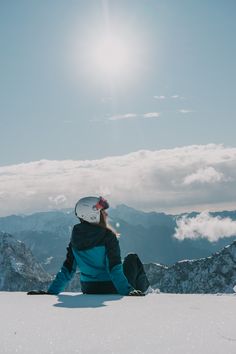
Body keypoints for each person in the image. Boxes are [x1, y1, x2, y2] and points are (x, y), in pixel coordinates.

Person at [28, 196, 150, 296]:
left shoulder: (75, 239)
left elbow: (67, 270)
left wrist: (51, 292)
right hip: (111, 286)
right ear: (93, 215)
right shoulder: (108, 236)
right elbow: (114, 269)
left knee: (125, 262)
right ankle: (145, 291)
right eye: (102, 211)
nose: (105, 214)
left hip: (89, 288)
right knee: (132, 258)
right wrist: (128, 292)